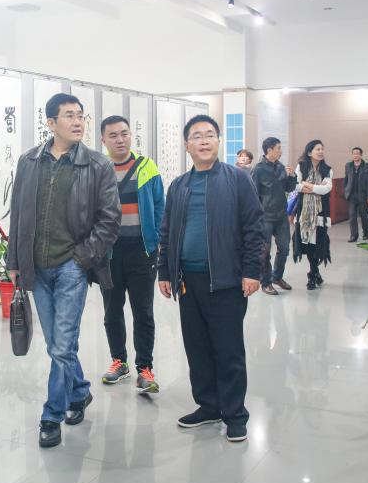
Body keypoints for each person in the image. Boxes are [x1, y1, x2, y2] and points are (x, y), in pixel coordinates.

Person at [6, 93, 121, 449]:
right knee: (57, 344)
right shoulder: (29, 161)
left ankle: (51, 415)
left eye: (80, 115)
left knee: (62, 343)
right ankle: (79, 391)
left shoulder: (97, 165)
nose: (77, 122)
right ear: (51, 123)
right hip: (36, 268)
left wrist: (82, 258)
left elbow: (110, 220)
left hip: (72, 266)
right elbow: (18, 213)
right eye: (69, 115)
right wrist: (14, 262)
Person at [157, 115, 265, 443]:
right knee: (197, 348)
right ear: (187, 145)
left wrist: (252, 271)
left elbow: (254, 227)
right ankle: (208, 406)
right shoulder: (179, 185)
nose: (204, 141)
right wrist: (165, 271)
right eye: (197, 136)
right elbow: (167, 231)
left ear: (219, 141)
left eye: (209, 135)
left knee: (228, 350)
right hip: (188, 281)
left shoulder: (237, 179)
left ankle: (235, 414)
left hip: (226, 280)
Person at [98, 115, 165, 393]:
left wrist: (155, 241)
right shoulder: (98, 169)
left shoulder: (148, 167)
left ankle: (145, 368)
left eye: (124, 133)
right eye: (113, 135)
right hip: (109, 254)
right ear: (103, 140)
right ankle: (119, 361)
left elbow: (160, 206)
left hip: (141, 251)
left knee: (143, 311)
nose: (120, 140)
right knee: (112, 311)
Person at [251, 137, 296, 295]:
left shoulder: (281, 167)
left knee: (284, 248)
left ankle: (277, 277)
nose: (281, 151)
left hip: (281, 216)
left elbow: (289, 188)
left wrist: (292, 176)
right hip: (265, 217)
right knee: (264, 251)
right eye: (278, 148)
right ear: (269, 150)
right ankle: (266, 282)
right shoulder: (258, 169)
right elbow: (253, 195)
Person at [292, 140, 333, 290]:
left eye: (322, 149)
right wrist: (316, 188)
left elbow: (326, 189)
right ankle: (314, 273)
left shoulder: (327, 169)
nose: (321, 151)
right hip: (304, 212)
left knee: (318, 244)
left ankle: (313, 273)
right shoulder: (301, 166)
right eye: (317, 149)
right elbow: (295, 186)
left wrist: (307, 185)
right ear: (310, 152)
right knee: (308, 244)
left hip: (321, 213)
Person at [343, 147, 368, 243]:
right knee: (352, 216)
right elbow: (346, 179)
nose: (355, 155)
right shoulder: (348, 165)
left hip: (362, 195)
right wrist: (345, 191)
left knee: (364, 216)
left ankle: (366, 232)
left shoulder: (367, 166)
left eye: (357, 153)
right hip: (352, 195)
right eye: (354, 153)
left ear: (361, 155)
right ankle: (353, 236)